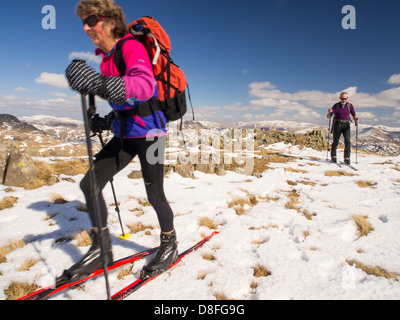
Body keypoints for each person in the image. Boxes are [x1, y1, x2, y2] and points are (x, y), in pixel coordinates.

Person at [61, 0, 178, 283]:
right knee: (90, 184)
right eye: (84, 22)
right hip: (125, 134)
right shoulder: (107, 56)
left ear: (112, 21)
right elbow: (126, 101)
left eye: (92, 20)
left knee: (154, 194)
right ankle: (102, 249)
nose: (87, 27)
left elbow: (143, 86)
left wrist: (97, 84)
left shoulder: (130, 46)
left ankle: (170, 244)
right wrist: (106, 120)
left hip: (151, 136)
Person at [327, 92, 359, 164]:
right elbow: (329, 116)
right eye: (342, 98)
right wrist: (330, 113)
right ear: (340, 98)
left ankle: (347, 158)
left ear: (347, 98)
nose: (344, 100)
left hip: (346, 125)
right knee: (335, 141)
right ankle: (333, 156)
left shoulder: (350, 106)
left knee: (347, 141)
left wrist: (356, 119)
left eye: (345, 99)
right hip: (337, 124)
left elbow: (354, 114)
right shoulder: (336, 105)